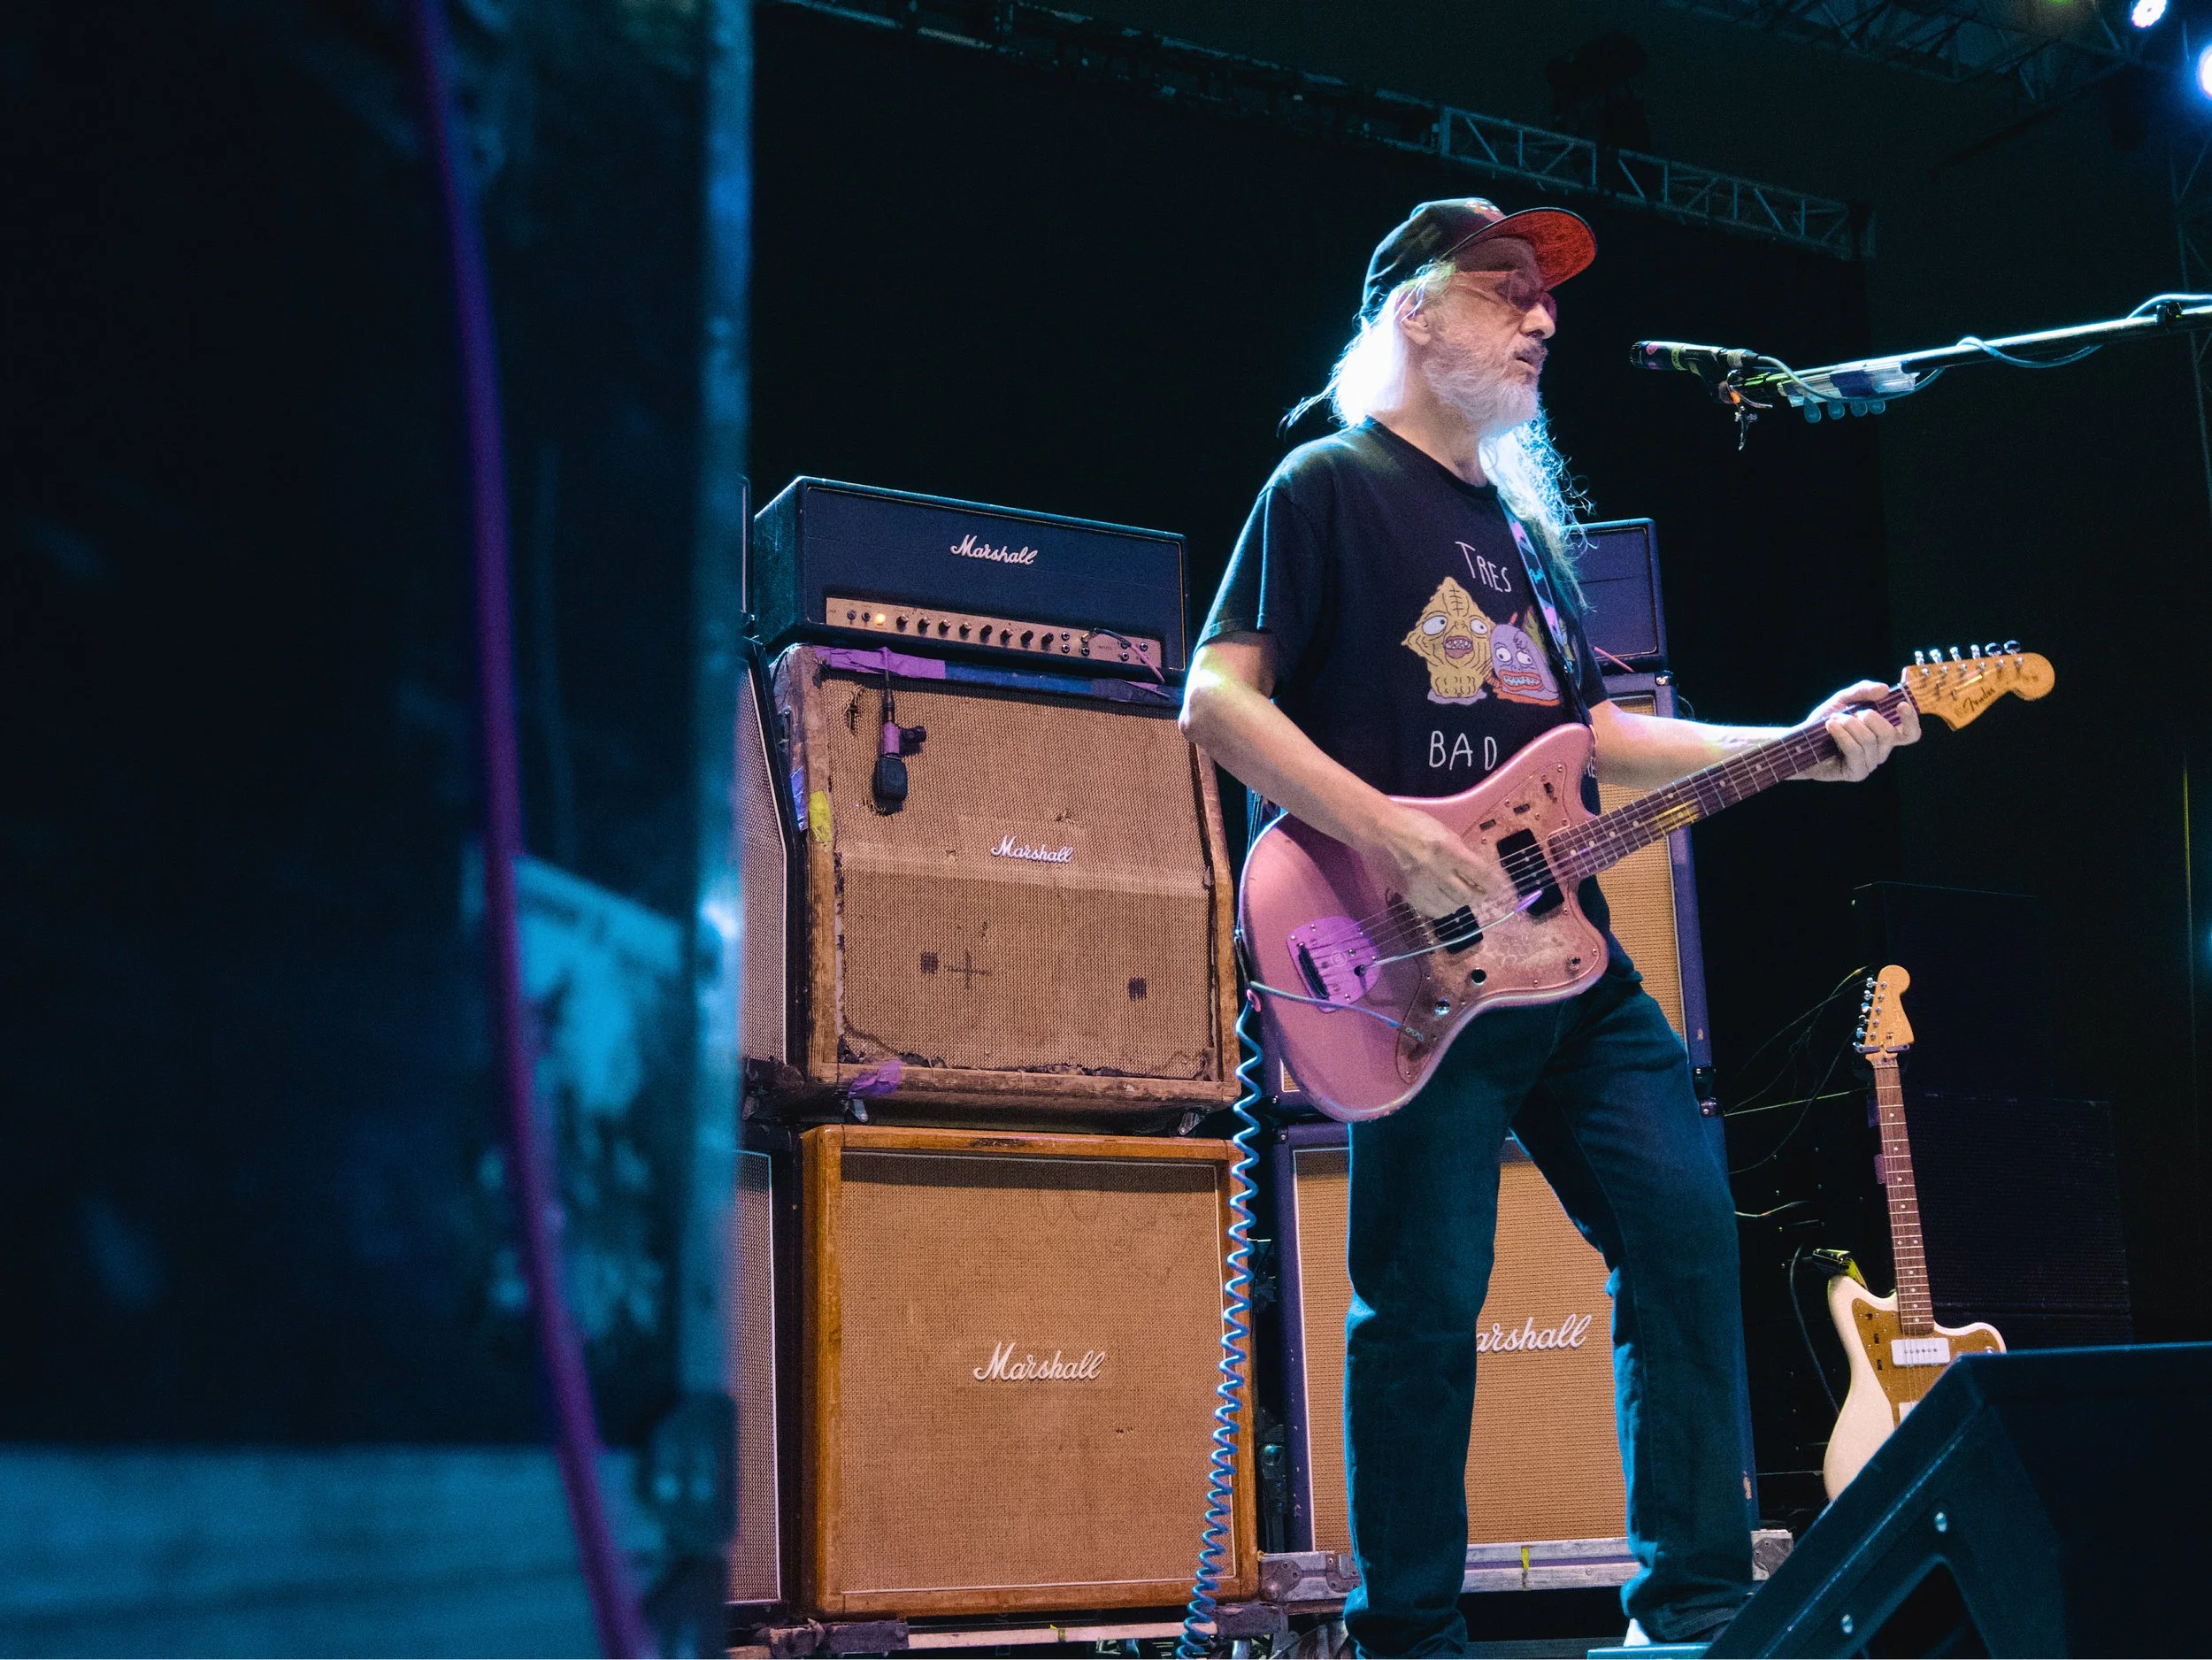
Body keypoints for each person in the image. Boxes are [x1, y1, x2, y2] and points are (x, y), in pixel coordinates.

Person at [1178, 197, 1916, 1655]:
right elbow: (1217, 699)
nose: (1542, 316)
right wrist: (1399, 838)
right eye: (1504, 287)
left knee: (1689, 1236)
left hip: (1565, 964)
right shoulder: (1326, 486)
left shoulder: (1522, 531)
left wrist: (1798, 737)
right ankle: (1413, 1635)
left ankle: (1695, 1609)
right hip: (1412, 974)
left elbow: (1595, 738)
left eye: (1548, 296)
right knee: (1423, 1301)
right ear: (1411, 309)